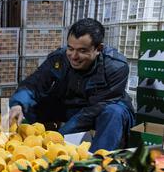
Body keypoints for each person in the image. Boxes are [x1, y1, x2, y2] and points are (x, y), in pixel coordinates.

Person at [9, 18, 135, 152]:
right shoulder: (60, 58)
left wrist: (62, 133)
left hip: (98, 110)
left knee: (114, 112)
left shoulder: (115, 67)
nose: (74, 56)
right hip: (70, 106)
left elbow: (98, 107)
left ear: (98, 48)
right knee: (30, 102)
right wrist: (19, 104)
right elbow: (35, 83)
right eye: (70, 48)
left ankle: (96, 162)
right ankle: (31, 145)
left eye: (82, 51)